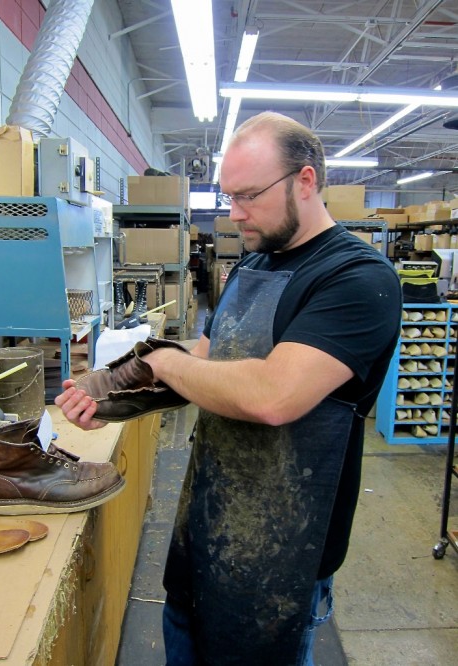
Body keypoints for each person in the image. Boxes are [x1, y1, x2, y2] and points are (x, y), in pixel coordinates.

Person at [55, 111, 402, 666]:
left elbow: (272, 395)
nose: (234, 213)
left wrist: (159, 359)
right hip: (206, 529)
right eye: (228, 196)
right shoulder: (253, 264)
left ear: (305, 181)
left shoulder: (357, 279)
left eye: (248, 196)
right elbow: (206, 365)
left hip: (283, 559)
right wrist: (116, 400)